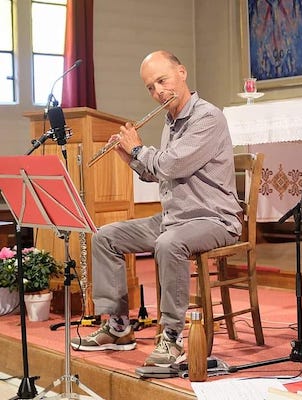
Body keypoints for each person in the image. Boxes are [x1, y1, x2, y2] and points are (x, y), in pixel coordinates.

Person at [70, 50, 242, 367]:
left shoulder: (208, 117)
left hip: (213, 219)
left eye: (162, 81)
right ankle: (118, 327)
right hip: (174, 219)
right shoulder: (170, 122)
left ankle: (172, 338)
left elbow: (173, 165)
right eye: (150, 87)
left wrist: (138, 148)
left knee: (169, 243)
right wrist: (130, 158)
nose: (158, 91)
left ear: (182, 72)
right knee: (105, 236)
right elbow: (159, 173)